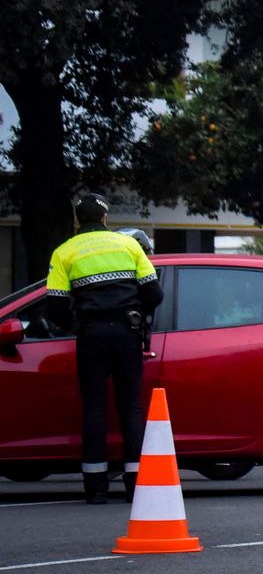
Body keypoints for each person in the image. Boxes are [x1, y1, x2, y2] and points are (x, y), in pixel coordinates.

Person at [45, 196, 163, 504]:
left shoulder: (64, 252)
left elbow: (55, 304)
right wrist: (135, 313)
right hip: (126, 332)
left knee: (94, 408)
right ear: (105, 217)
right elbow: (154, 292)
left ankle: (96, 486)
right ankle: (136, 483)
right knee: (131, 407)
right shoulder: (128, 246)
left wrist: (77, 324)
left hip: (91, 336)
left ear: (78, 220)